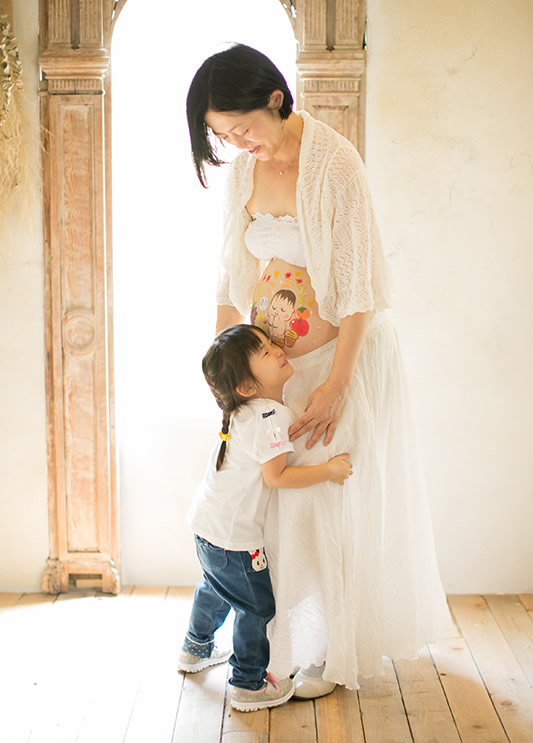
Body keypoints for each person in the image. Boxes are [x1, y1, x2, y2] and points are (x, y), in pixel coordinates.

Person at [186, 43, 451, 697]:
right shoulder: (242, 174)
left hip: (339, 360)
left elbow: (360, 287)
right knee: (278, 508)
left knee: (329, 503)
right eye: (222, 134)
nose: (235, 143)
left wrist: (337, 383)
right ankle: (286, 642)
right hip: (271, 373)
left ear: (275, 99)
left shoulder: (334, 162)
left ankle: (329, 652)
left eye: (240, 127)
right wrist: (228, 381)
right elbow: (229, 275)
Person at [178, 324, 352, 712]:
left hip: (207, 527)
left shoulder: (244, 412)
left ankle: (195, 647)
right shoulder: (270, 415)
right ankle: (248, 684)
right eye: (265, 352)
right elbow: (277, 477)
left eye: (270, 343)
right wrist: (329, 471)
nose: (277, 349)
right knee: (256, 608)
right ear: (246, 385)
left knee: (215, 587)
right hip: (235, 540)